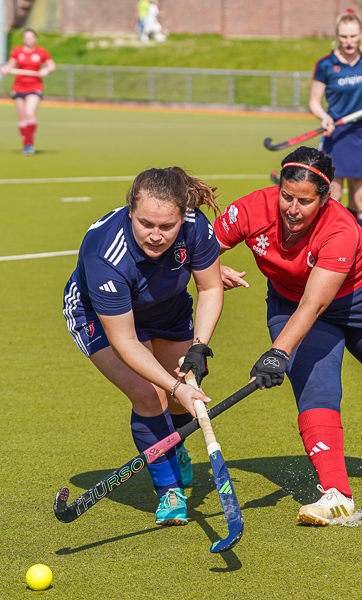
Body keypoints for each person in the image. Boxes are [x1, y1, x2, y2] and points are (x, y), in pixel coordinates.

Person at [213, 147, 362, 526]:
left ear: (326, 197)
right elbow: (198, 249)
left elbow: (315, 302)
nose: (292, 209)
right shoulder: (251, 209)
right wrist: (212, 267)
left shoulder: (340, 229)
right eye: (286, 197)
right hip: (290, 302)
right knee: (315, 388)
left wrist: (277, 353)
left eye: (305, 201)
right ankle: (337, 496)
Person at [62, 167, 224, 525]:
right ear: (130, 211)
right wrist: (175, 387)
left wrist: (199, 347)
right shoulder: (105, 254)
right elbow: (125, 340)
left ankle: (174, 446)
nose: (155, 235)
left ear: (182, 216)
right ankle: (169, 489)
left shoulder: (195, 225)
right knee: (151, 395)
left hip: (167, 306)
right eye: (145, 223)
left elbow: (210, 287)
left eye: (167, 226)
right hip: (100, 316)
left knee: (183, 391)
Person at [309, 9, 362, 245]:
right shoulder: (326, 65)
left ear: (361, 34)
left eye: (353, 36)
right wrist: (324, 117)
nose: (349, 41)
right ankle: (327, 249)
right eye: (344, 36)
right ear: (337, 36)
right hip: (336, 135)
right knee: (332, 199)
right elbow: (314, 102)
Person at [0, 28, 55, 155]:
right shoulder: (17, 51)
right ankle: (26, 145)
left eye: (31, 37)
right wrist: (6, 69)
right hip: (19, 87)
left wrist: (46, 70)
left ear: (35, 38)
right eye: (26, 37)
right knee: (22, 118)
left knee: (30, 113)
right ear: (23, 39)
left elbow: (52, 66)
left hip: (34, 86)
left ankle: (30, 144)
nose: (29, 39)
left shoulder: (41, 52)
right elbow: (10, 65)